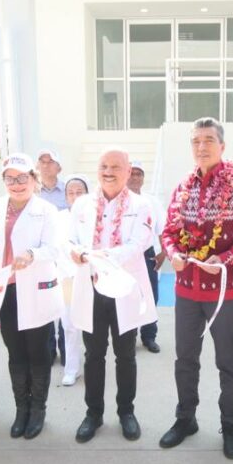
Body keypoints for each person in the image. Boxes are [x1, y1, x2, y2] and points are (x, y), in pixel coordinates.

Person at [158, 117, 233, 460]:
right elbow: (169, 233)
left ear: (222, 146)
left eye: (208, 140)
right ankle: (185, 418)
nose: (201, 147)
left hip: (225, 290)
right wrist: (173, 253)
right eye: (195, 141)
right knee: (185, 359)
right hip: (186, 289)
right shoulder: (183, 187)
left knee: (226, 360)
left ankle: (229, 424)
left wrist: (227, 258)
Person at [68, 150, 157, 443]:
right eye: (103, 166)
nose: (108, 171)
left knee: (126, 354)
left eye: (115, 167)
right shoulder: (81, 204)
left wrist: (104, 257)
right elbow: (70, 240)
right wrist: (80, 252)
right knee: (93, 355)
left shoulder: (141, 204)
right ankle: (93, 414)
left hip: (123, 290)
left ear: (128, 170)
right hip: (91, 288)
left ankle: (126, 412)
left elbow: (139, 242)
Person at [0, 153, 65, 439]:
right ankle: (21, 409)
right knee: (15, 353)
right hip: (5, 290)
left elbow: (56, 248)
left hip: (35, 289)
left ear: (34, 179)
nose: (16, 184)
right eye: (10, 179)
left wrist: (32, 254)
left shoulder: (46, 211)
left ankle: (38, 410)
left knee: (38, 353)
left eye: (22, 178)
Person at [128, 160, 165, 353]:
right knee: (128, 297)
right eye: (132, 173)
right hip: (126, 256)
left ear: (143, 178)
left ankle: (149, 336)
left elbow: (163, 230)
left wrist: (164, 252)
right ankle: (129, 336)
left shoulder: (152, 201)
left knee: (151, 296)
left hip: (147, 254)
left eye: (139, 174)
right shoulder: (119, 200)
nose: (135, 177)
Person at [36, 149, 68, 365]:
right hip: (40, 257)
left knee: (65, 303)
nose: (46, 165)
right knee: (45, 304)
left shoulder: (69, 190)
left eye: (51, 161)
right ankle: (47, 350)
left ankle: (67, 350)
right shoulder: (30, 191)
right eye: (42, 161)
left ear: (59, 167)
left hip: (64, 256)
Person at [59, 175, 90, 386]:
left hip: (89, 278)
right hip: (66, 278)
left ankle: (93, 365)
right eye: (71, 192)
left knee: (91, 326)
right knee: (69, 326)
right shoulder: (57, 217)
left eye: (80, 192)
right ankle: (72, 369)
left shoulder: (96, 217)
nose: (75, 196)